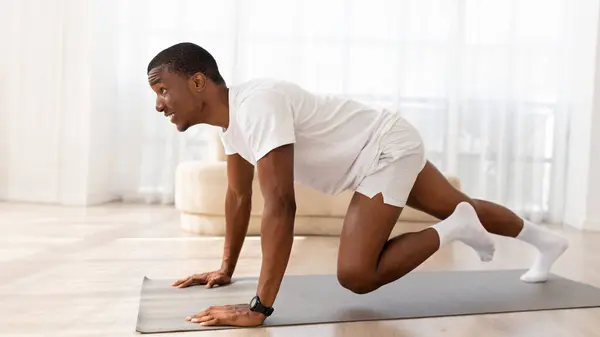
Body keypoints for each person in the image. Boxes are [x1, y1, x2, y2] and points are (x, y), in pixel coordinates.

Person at [147, 42, 569, 327]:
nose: (159, 104)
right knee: (458, 202)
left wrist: (260, 307)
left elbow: (280, 205)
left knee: (356, 274)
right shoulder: (231, 125)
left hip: (383, 149)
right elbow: (239, 196)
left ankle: (454, 229)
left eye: (164, 90)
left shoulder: (257, 106)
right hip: (382, 142)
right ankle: (547, 242)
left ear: (198, 82)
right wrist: (225, 269)